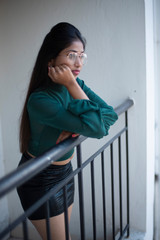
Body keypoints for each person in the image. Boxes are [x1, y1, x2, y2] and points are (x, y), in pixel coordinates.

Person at [17, 22, 118, 240]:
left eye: (82, 55)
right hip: (40, 180)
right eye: (72, 55)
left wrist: (77, 121)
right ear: (51, 59)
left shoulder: (75, 83)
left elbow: (109, 115)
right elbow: (98, 128)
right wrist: (74, 89)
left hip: (64, 172)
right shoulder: (41, 100)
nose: (79, 62)